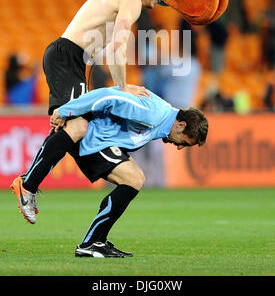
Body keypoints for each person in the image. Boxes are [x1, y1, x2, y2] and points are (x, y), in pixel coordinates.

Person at [13, 0, 172, 203]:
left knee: (71, 127)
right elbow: (118, 47)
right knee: (75, 127)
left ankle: (30, 183)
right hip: (69, 57)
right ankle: (28, 184)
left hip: (72, 59)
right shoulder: (132, 0)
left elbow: (110, 47)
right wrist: (122, 88)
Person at [11, 86, 208, 258]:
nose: (180, 147)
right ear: (181, 125)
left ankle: (95, 242)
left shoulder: (164, 118)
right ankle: (90, 242)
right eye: (184, 142)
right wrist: (65, 111)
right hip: (94, 139)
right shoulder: (153, 114)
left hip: (103, 140)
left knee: (136, 178)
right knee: (133, 179)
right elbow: (107, 96)